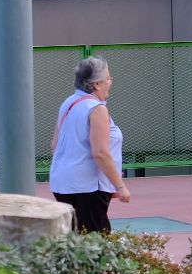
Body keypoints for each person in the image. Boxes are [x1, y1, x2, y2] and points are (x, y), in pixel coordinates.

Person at [48, 55, 130, 233]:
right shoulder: (97, 109)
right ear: (97, 84)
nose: (111, 81)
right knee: (96, 241)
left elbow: (54, 144)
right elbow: (100, 152)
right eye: (108, 78)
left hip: (63, 183)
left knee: (76, 239)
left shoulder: (68, 103)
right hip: (87, 186)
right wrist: (119, 186)